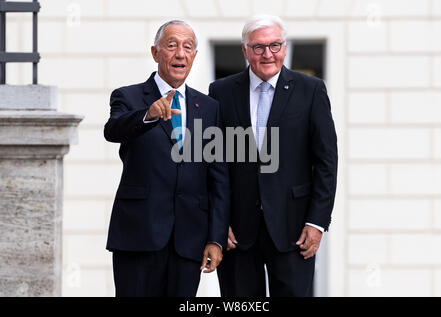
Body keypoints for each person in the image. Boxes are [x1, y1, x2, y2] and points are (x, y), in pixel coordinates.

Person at [208, 15, 338, 297]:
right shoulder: (221, 92)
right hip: (237, 233)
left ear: (285, 48)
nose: (268, 54)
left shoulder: (311, 90)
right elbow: (212, 161)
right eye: (258, 47)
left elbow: (326, 162)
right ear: (245, 50)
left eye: (275, 45)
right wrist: (218, 222)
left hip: (295, 229)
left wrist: (316, 223)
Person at [104, 20, 230, 297]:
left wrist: (216, 238)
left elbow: (218, 177)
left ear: (195, 56)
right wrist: (148, 116)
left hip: (189, 241)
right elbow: (112, 130)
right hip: (138, 235)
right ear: (155, 53)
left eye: (188, 47)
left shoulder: (209, 108)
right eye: (171, 46)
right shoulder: (129, 96)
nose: (180, 54)